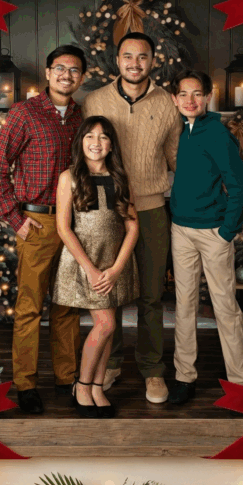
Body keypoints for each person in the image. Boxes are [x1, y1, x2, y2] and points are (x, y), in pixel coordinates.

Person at [0, 45, 87, 415]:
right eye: (60, 68)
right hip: (38, 222)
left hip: (74, 223)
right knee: (30, 306)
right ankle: (26, 383)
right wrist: (15, 218)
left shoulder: (82, 117)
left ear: (81, 77)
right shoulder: (25, 113)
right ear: (48, 73)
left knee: (67, 306)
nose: (66, 75)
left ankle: (67, 378)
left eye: (74, 70)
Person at [82, 33, 179, 404]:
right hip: (109, 209)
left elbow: (176, 159)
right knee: (112, 293)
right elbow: (87, 151)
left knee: (152, 295)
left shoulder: (167, 104)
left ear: (153, 60)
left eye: (142, 57)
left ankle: (153, 369)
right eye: (127, 56)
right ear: (117, 60)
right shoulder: (96, 99)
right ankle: (111, 362)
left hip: (153, 209)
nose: (134, 63)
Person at [166, 70, 243, 405]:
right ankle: (184, 378)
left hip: (213, 232)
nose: (191, 100)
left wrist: (227, 231)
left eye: (198, 94)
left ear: (207, 97)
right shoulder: (182, 131)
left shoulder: (217, 133)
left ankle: (241, 386)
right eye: (184, 94)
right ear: (175, 100)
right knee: (184, 306)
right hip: (181, 231)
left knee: (224, 307)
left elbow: (239, 187)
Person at [52, 117, 139, 418]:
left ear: (111, 145)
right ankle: (82, 383)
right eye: (90, 136)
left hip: (112, 262)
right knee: (106, 325)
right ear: (81, 142)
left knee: (109, 328)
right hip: (85, 261)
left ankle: (98, 386)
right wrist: (90, 269)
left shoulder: (119, 178)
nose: (96, 143)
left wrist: (116, 268)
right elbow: (64, 228)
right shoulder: (70, 178)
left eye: (103, 138)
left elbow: (132, 227)